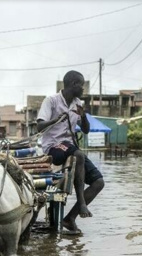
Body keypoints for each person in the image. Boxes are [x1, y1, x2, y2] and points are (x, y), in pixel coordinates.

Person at [36, 70, 105, 235]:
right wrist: (57, 119)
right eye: (81, 85)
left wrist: (84, 116)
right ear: (73, 84)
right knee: (79, 154)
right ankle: (82, 203)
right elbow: (39, 126)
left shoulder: (77, 103)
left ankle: (69, 219)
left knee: (98, 182)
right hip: (52, 146)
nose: (83, 89)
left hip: (70, 146)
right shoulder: (51, 101)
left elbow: (86, 130)